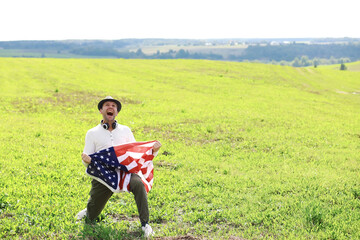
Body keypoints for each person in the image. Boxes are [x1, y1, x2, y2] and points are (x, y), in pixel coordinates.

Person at [76, 96, 161, 238]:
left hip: (126, 171)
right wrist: (87, 160)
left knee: (138, 184)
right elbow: (88, 159)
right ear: (100, 111)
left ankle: (145, 224)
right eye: (107, 105)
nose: (111, 107)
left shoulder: (125, 130)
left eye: (114, 106)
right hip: (104, 174)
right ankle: (89, 211)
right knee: (91, 217)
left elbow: (136, 153)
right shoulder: (92, 133)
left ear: (117, 112)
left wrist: (153, 150)